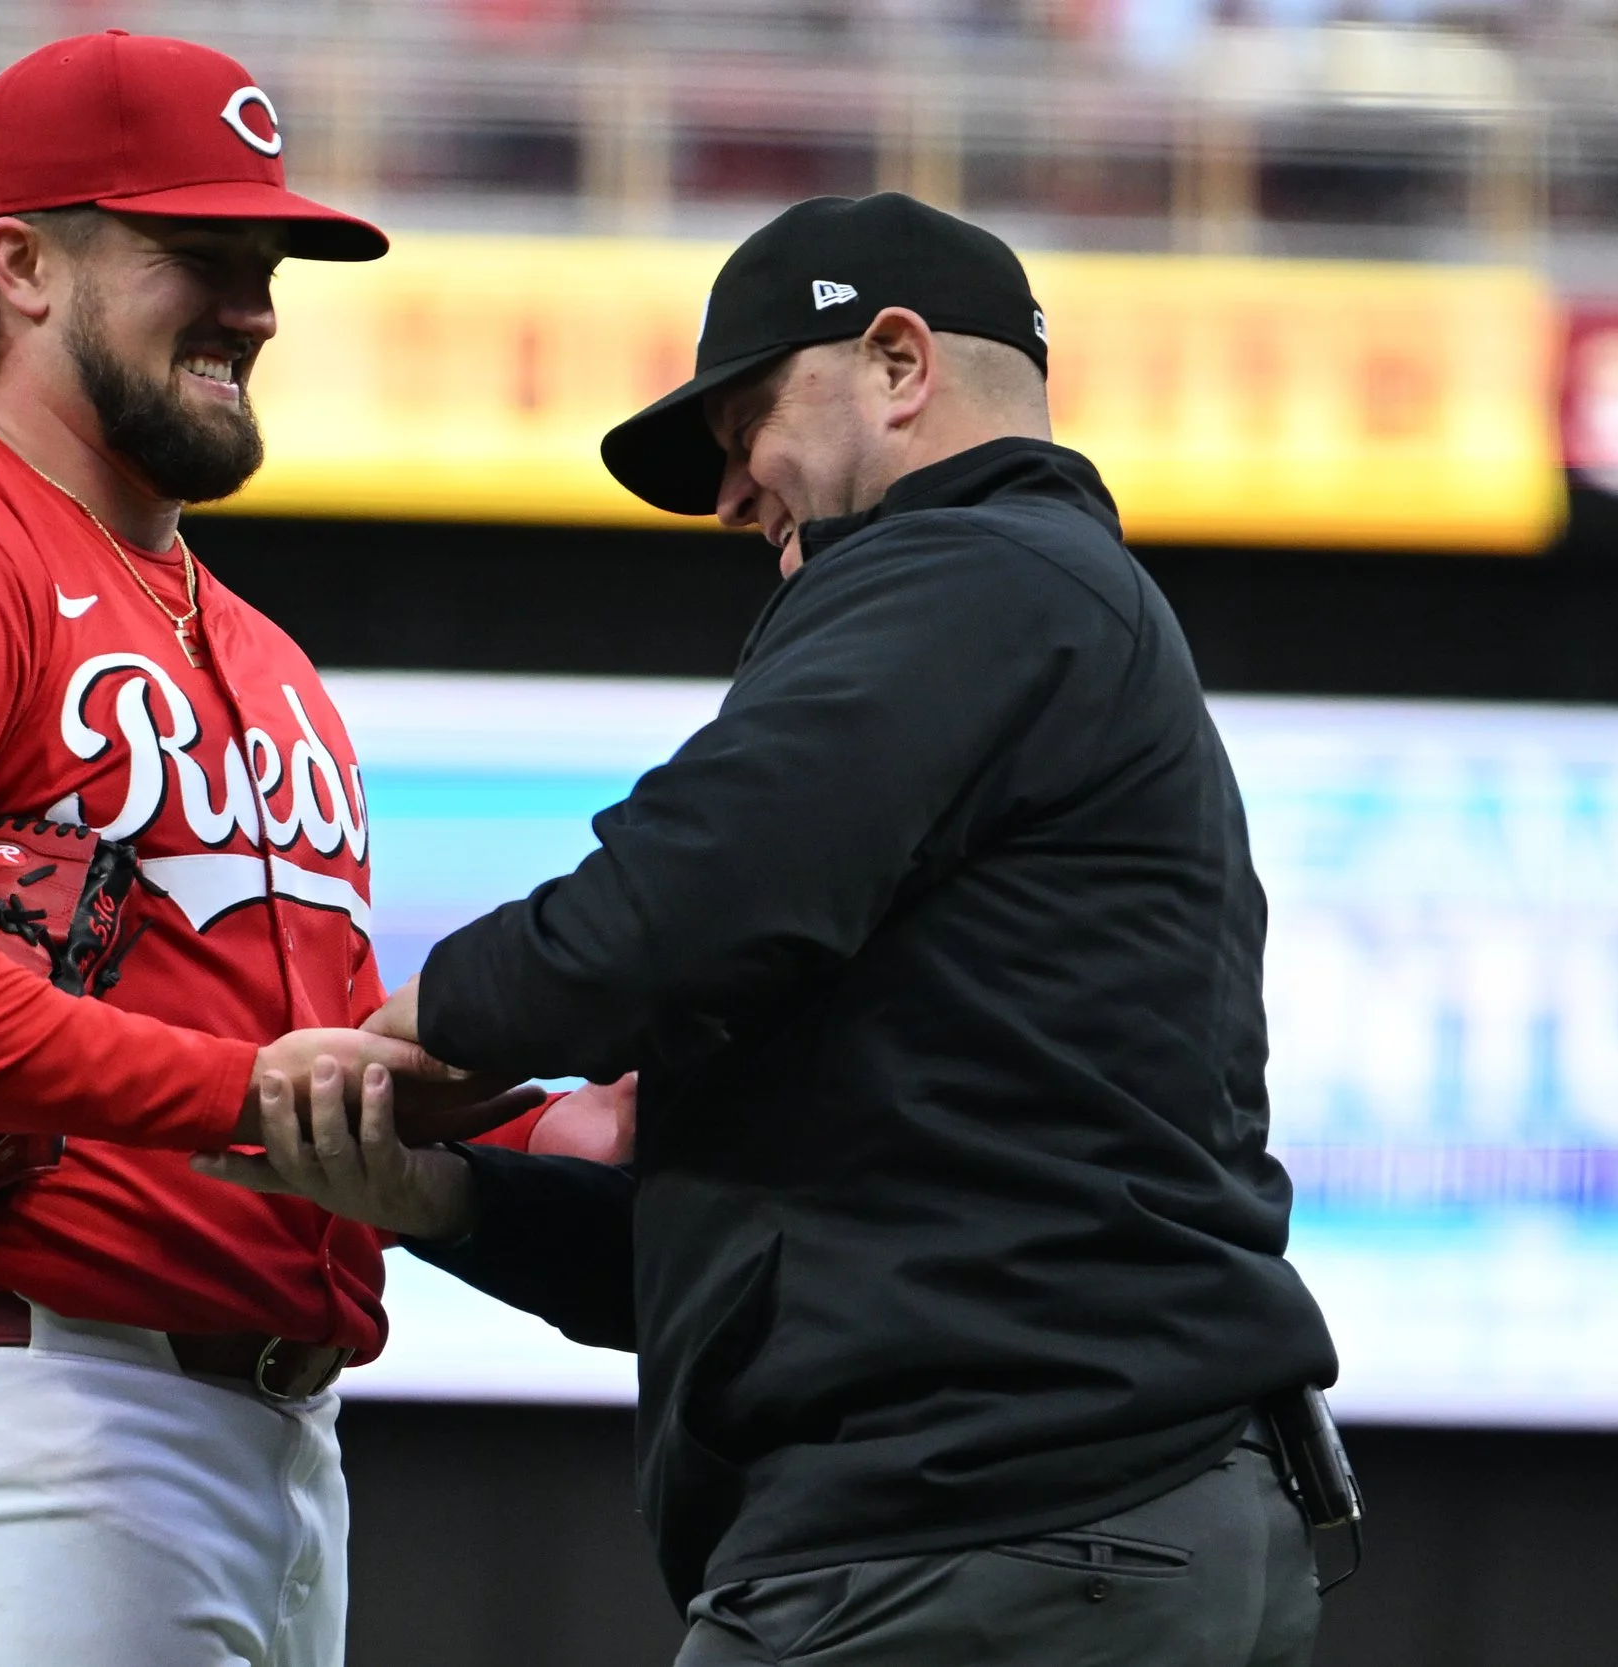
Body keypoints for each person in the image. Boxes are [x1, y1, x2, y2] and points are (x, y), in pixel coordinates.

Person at [199, 193, 1343, 1666]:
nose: (736, 491)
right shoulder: (1046, 621)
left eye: (747, 423)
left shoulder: (980, 570)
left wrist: (395, 1034)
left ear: (900, 363)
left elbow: (667, 906)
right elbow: (760, 1256)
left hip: (991, 1535)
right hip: (1087, 1527)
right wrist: (442, 1193)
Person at [0, 32, 613, 1667]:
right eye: (201, 254)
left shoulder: (258, 651)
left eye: (267, 264)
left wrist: (551, 1129)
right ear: (21, 266)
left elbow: (296, 1073)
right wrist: (227, 1096)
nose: (256, 304)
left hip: (278, 1441)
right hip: (22, 1414)